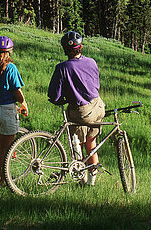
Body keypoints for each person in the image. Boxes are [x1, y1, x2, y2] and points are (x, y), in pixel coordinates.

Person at [47, 31, 105, 186]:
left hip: (81, 112)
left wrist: (60, 99)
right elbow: (96, 85)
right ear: (81, 47)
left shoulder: (62, 68)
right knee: (91, 142)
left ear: (65, 49)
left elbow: (54, 95)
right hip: (98, 107)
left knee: (76, 141)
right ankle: (92, 182)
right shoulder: (92, 62)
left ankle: (81, 176)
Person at [0, 36, 28, 184]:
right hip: (6, 110)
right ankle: (3, 181)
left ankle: (0, 179)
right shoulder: (10, 68)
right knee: (6, 149)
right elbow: (17, 91)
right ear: (10, 52)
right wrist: (23, 103)